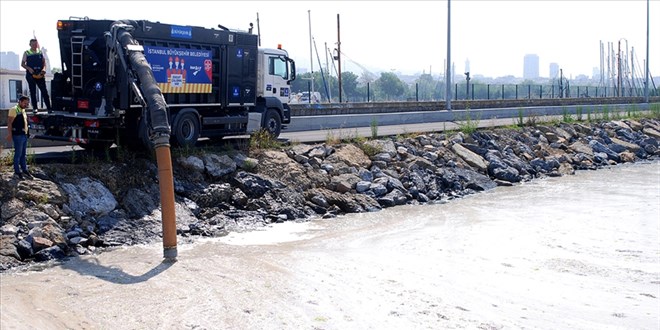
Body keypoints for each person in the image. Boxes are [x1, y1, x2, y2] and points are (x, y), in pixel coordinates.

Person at [6, 95, 32, 180]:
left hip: (23, 134)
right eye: (25, 103)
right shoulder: (14, 110)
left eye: (27, 103)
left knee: (23, 154)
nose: (26, 105)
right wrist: (9, 134)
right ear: (20, 102)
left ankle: (24, 169)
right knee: (18, 154)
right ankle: (17, 171)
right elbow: (9, 123)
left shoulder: (23, 110)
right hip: (17, 135)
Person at [21, 38, 51, 111]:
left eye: (36, 44)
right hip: (31, 75)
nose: (35, 45)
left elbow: (44, 63)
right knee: (33, 91)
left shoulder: (40, 52)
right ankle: (35, 108)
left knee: (44, 91)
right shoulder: (27, 52)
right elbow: (22, 64)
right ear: (30, 44)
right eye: (33, 44)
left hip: (40, 74)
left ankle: (49, 108)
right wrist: (29, 69)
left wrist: (43, 70)